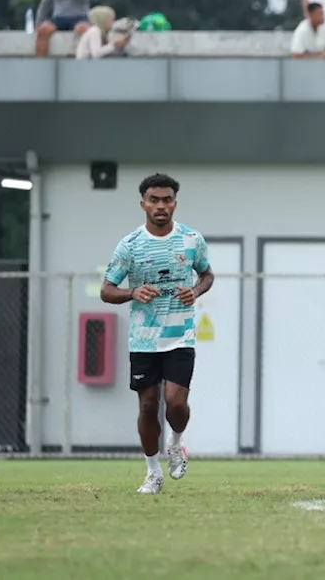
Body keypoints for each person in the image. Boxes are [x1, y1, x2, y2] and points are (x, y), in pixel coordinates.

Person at [99, 173, 215, 494]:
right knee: (149, 407)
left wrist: (196, 290)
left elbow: (207, 274)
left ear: (175, 203)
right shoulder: (130, 246)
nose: (160, 206)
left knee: (175, 405)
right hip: (144, 340)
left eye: (166, 200)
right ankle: (153, 472)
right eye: (154, 200)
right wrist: (132, 292)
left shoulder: (191, 240)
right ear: (143, 204)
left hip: (180, 336)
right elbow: (107, 291)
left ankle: (176, 442)